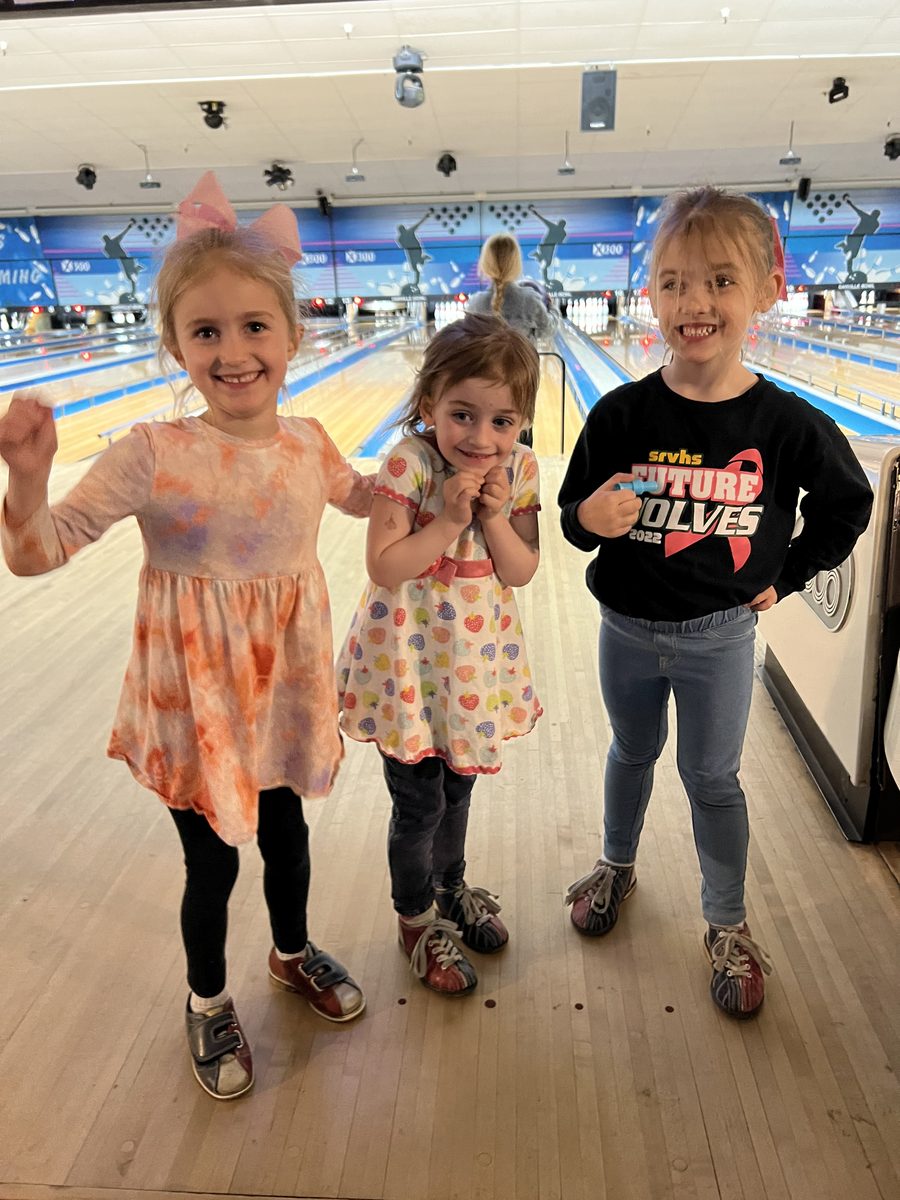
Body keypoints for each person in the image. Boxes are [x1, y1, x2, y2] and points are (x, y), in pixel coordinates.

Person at [0, 172, 373, 1101]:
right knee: (211, 862)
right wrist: (28, 482)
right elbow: (39, 555)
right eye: (206, 331)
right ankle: (207, 1000)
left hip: (284, 687)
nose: (234, 350)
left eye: (255, 327)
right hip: (194, 693)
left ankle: (291, 954)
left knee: (286, 840)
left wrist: (448, 476)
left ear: (293, 336)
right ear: (174, 343)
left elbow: (372, 497)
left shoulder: (313, 440)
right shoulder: (149, 454)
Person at [558, 186, 872, 1020]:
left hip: (721, 638)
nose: (695, 303)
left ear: (766, 290)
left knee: (712, 777)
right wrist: (589, 516)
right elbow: (569, 519)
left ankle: (726, 923)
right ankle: (617, 864)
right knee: (630, 752)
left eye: (720, 282)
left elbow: (847, 504)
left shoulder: (786, 423)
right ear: (651, 294)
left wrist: (792, 574)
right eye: (673, 283)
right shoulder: (621, 413)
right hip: (625, 629)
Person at [336, 312, 543, 996]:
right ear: (428, 405)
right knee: (419, 804)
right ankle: (416, 918)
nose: (481, 438)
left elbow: (519, 570)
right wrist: (450, 518)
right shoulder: (408, 463)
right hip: (407, 667)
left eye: (502, 422)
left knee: (459, 791)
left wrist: (488, 514)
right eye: (462, 415)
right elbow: (387, 565)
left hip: (473, 668)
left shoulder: (520, 471)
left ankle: (451, 887)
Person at [467, 233, 553, 446]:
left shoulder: (476, 304)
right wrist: (552, 308)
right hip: (521, 388)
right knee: (521, 453)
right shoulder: (530, 299)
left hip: (482, 395)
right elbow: (548, 331)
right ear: (517, 264)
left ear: (485, 264)